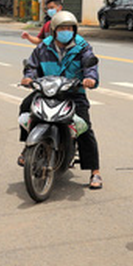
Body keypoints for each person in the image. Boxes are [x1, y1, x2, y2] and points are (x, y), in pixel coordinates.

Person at [19, 11, 103, 189]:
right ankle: (28, 147)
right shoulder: (44, 47)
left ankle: (95, 171)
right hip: (48, 90)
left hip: (73, 92)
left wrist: (90, 78)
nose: (66, 31)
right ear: (54, 30)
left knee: (84, 127)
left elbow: (91, 64)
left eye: (70, 28)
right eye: (63, 28)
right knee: (26, 107)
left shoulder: (82, 47)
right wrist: (29, 77)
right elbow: (32, 66)